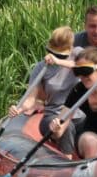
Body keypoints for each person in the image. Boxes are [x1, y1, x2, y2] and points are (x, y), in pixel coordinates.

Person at [8, 26, 83, 155]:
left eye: (59, 54)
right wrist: (18, 110)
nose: (54, 56)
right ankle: (66, 159)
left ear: (70, 49)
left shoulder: (78, 54)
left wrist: (58, 61)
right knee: (66, 127)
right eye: (52, 52)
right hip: (54, 115)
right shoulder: (41, 68)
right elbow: (31, 99)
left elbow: (84, 66)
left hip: (79, 113)